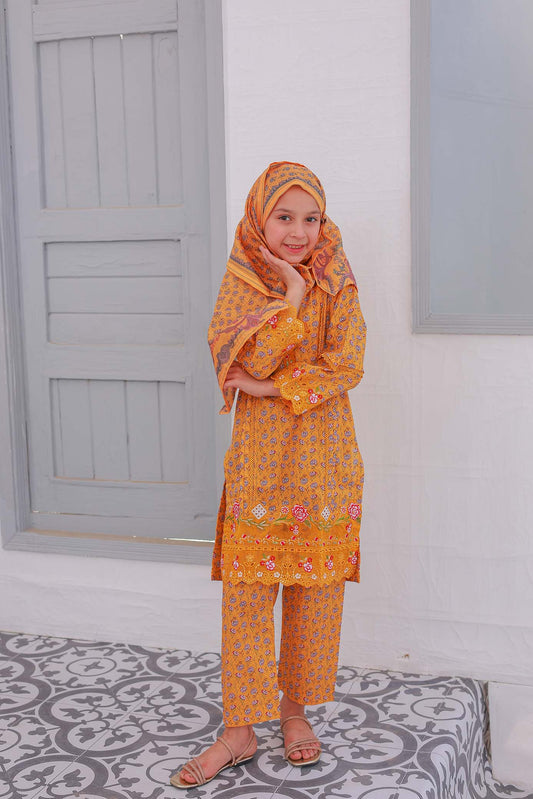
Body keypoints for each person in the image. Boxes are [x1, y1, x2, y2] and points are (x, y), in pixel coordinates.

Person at [170, 161, 366, 789]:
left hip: (325, 458)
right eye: (284, 217)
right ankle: (239, 730)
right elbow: (246, 360)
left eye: (311, 219)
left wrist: (271, 389)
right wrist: (293, 296)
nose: (299, 232)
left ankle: (293, 711)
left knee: (314, 593)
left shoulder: (338, 276)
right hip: (260, 460)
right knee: (248, 599)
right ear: (261, 217)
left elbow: (349, 362)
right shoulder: (243, 280)